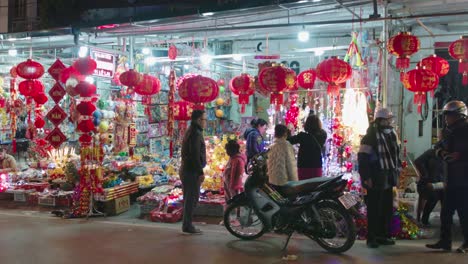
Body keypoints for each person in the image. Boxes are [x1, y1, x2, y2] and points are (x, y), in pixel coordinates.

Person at [426, 100, 468, 253]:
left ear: (459, 115)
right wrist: (443, 154)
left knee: (464, 214)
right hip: (450, 179)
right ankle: (445, 241)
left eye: (449, 115)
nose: (446, 118)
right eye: (446, 115)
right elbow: (437, 147)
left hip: (464, 180)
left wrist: (461, 156)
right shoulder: (447, 131)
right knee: (446, 213)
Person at [358, 108, 401, 248]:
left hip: (388, 176)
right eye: (388, 120)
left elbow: (396, 155)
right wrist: (366, 177)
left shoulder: (392, 135)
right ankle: (372, 238)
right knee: (374, 208)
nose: (390, 122)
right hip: (376, 177)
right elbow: (363, 158)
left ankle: (383, 235)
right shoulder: (370, 136)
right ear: (381, 121)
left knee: (386, 208)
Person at [180, 110, 207, 234]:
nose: (205, 122)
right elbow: (194, 154)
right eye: (204, 119)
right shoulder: (195, 133)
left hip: (189, 169)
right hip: (191, 171)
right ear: (198, 120)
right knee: (191, 199)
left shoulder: (192, 131)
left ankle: (187, 224)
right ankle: (187, 226)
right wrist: (200, 172)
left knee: (189, 198)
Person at [288, 115, 327, 180]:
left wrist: (289, 132)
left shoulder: (302, 136)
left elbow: (289, 140)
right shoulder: (323, 135)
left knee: (304, 187)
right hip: (316, 165)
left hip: (303, 166)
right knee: (315, 187)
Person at [414, 149, 444, 226]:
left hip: (440, 184)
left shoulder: (448, 156)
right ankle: (424, 219)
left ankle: (446, 219)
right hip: (426, 183)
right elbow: (417, 161)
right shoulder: (431, 153)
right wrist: (425, 175)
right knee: (434, 196)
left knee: (447, 196)